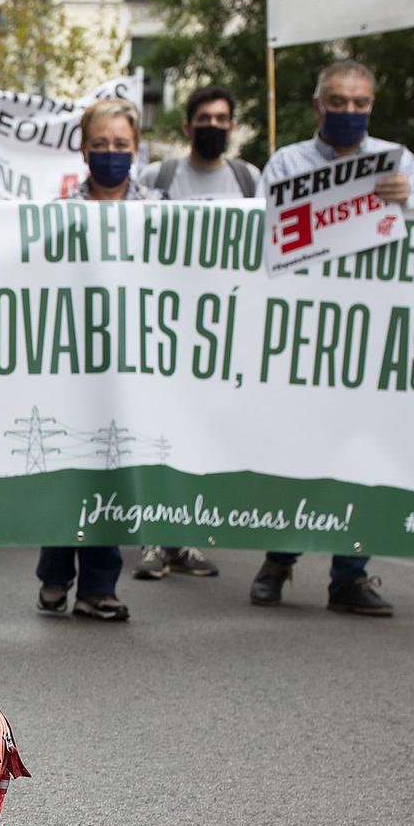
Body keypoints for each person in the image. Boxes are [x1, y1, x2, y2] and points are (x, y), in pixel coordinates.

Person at [253, 60, 414, 618]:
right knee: (301, 450)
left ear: (371, 107)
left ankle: (350, 575)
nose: (349, 112)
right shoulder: (287, 163)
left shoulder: (398, 163)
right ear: (317, 106)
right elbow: (258, 232)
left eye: (360, 103)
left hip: (372, 339)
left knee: (365, 451)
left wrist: (412, 204)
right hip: (305, 333)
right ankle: (279, 559)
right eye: (338, 101)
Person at [130, 85, 259, 581]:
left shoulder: (248, 179)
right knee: (158, 435)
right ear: (187, 126)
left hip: (221, 336)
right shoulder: (157, 177)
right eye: (204, 117)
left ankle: (185, 537)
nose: (214, 125)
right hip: (164, 332)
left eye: (223, 117)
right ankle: (151, 538)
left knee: (198, 439)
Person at [36, 99, 152, 622]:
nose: (111, 154)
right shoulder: (58, 216)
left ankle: (99, 586)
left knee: (115, 467)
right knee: (73, 469)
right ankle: (56, 575)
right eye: (101, 145)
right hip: (73, 360)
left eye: (121, 146)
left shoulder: (162, 211)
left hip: (133, 362)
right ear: (84, 149)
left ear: (137, 149)